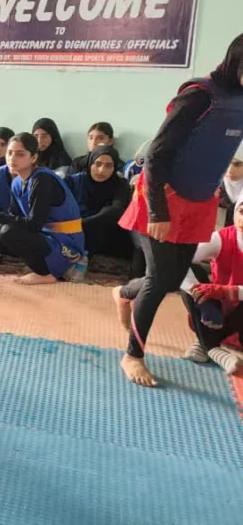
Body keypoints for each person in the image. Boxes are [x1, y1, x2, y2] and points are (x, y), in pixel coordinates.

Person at [113, 34, 243, 387]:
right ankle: (132, 355)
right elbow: (155, 154)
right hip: (163, 196)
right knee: (159, 281)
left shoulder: (240, 98)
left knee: (172, 279)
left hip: (200, 199)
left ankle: (124, 294)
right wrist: (156, 211)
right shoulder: (199, 95)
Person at [0, 133, 85, 285]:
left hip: (64, 239)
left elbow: (33, 224)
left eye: (20, 154)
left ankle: (46, 272)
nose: (12, 158)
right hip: (44, 234)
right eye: (10, 153)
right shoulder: (17, 182)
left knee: (9, 232)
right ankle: (43, 266)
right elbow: (14, 215)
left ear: (33, 158)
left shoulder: (42, 179)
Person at [173, 198, 243, 374]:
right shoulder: (220, 238)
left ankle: (205, 343)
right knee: (189, 276)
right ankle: (214, 348)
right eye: (242, 212)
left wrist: (227, 291)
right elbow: (177, 264)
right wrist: (203, 302)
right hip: (218, 309)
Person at [66, 146, 133, 261]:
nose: (102, 170)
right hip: (71, 227)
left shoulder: (120, 185)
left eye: (108, 166)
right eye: (97, 164)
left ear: (114, 167)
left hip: (103, 230)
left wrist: (81, 224)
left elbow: (116, 210)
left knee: (104, 221)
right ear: (90, 163)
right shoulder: (73, 181)